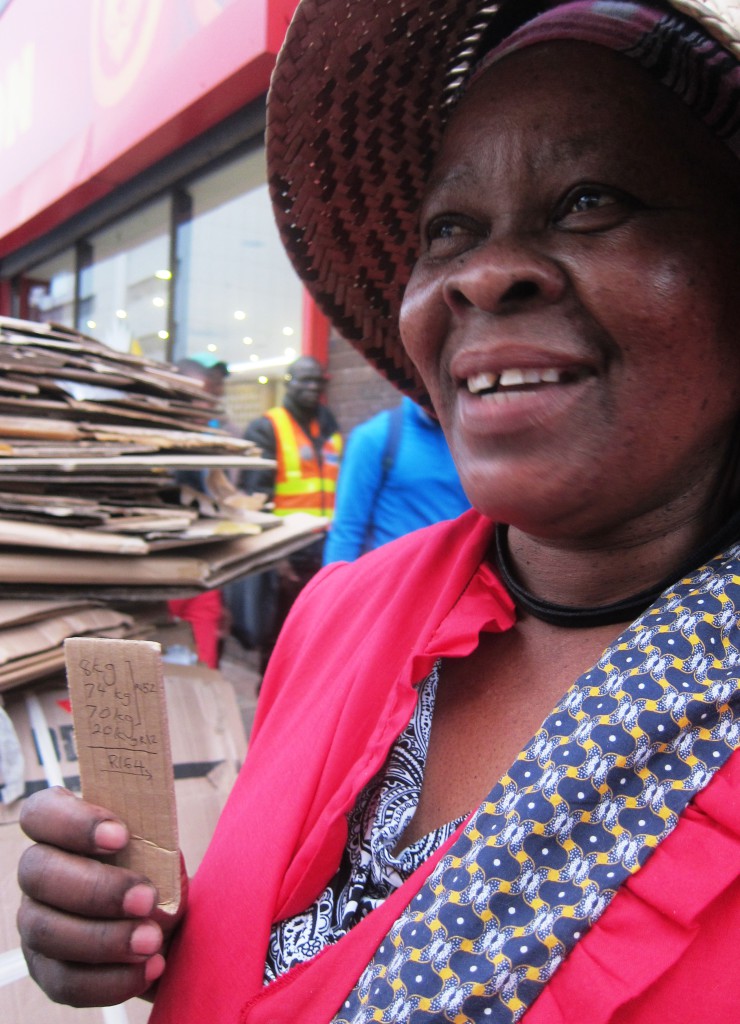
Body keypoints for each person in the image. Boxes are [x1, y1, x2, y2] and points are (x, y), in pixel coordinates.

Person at [16, 2, 740, 1022]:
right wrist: (141, 928)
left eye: (587, 201)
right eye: (449, 228)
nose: (485, 272)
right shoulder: (340, 614)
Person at [224, 355, 342, 663]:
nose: (313, 387)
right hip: (287, 552)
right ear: (289, 382)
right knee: (280, 639)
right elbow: (255, 498)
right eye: (305, 380)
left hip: (325, 548)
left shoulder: (329, 425)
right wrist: (278, 558)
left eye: (318, 380)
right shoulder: (267, 427)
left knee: (320, 636)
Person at [323, 395, 470, 563]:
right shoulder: (374, 438)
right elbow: (347, 528)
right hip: (397, 579)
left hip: (461, 577)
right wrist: (335, 587)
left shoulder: (473, 439)